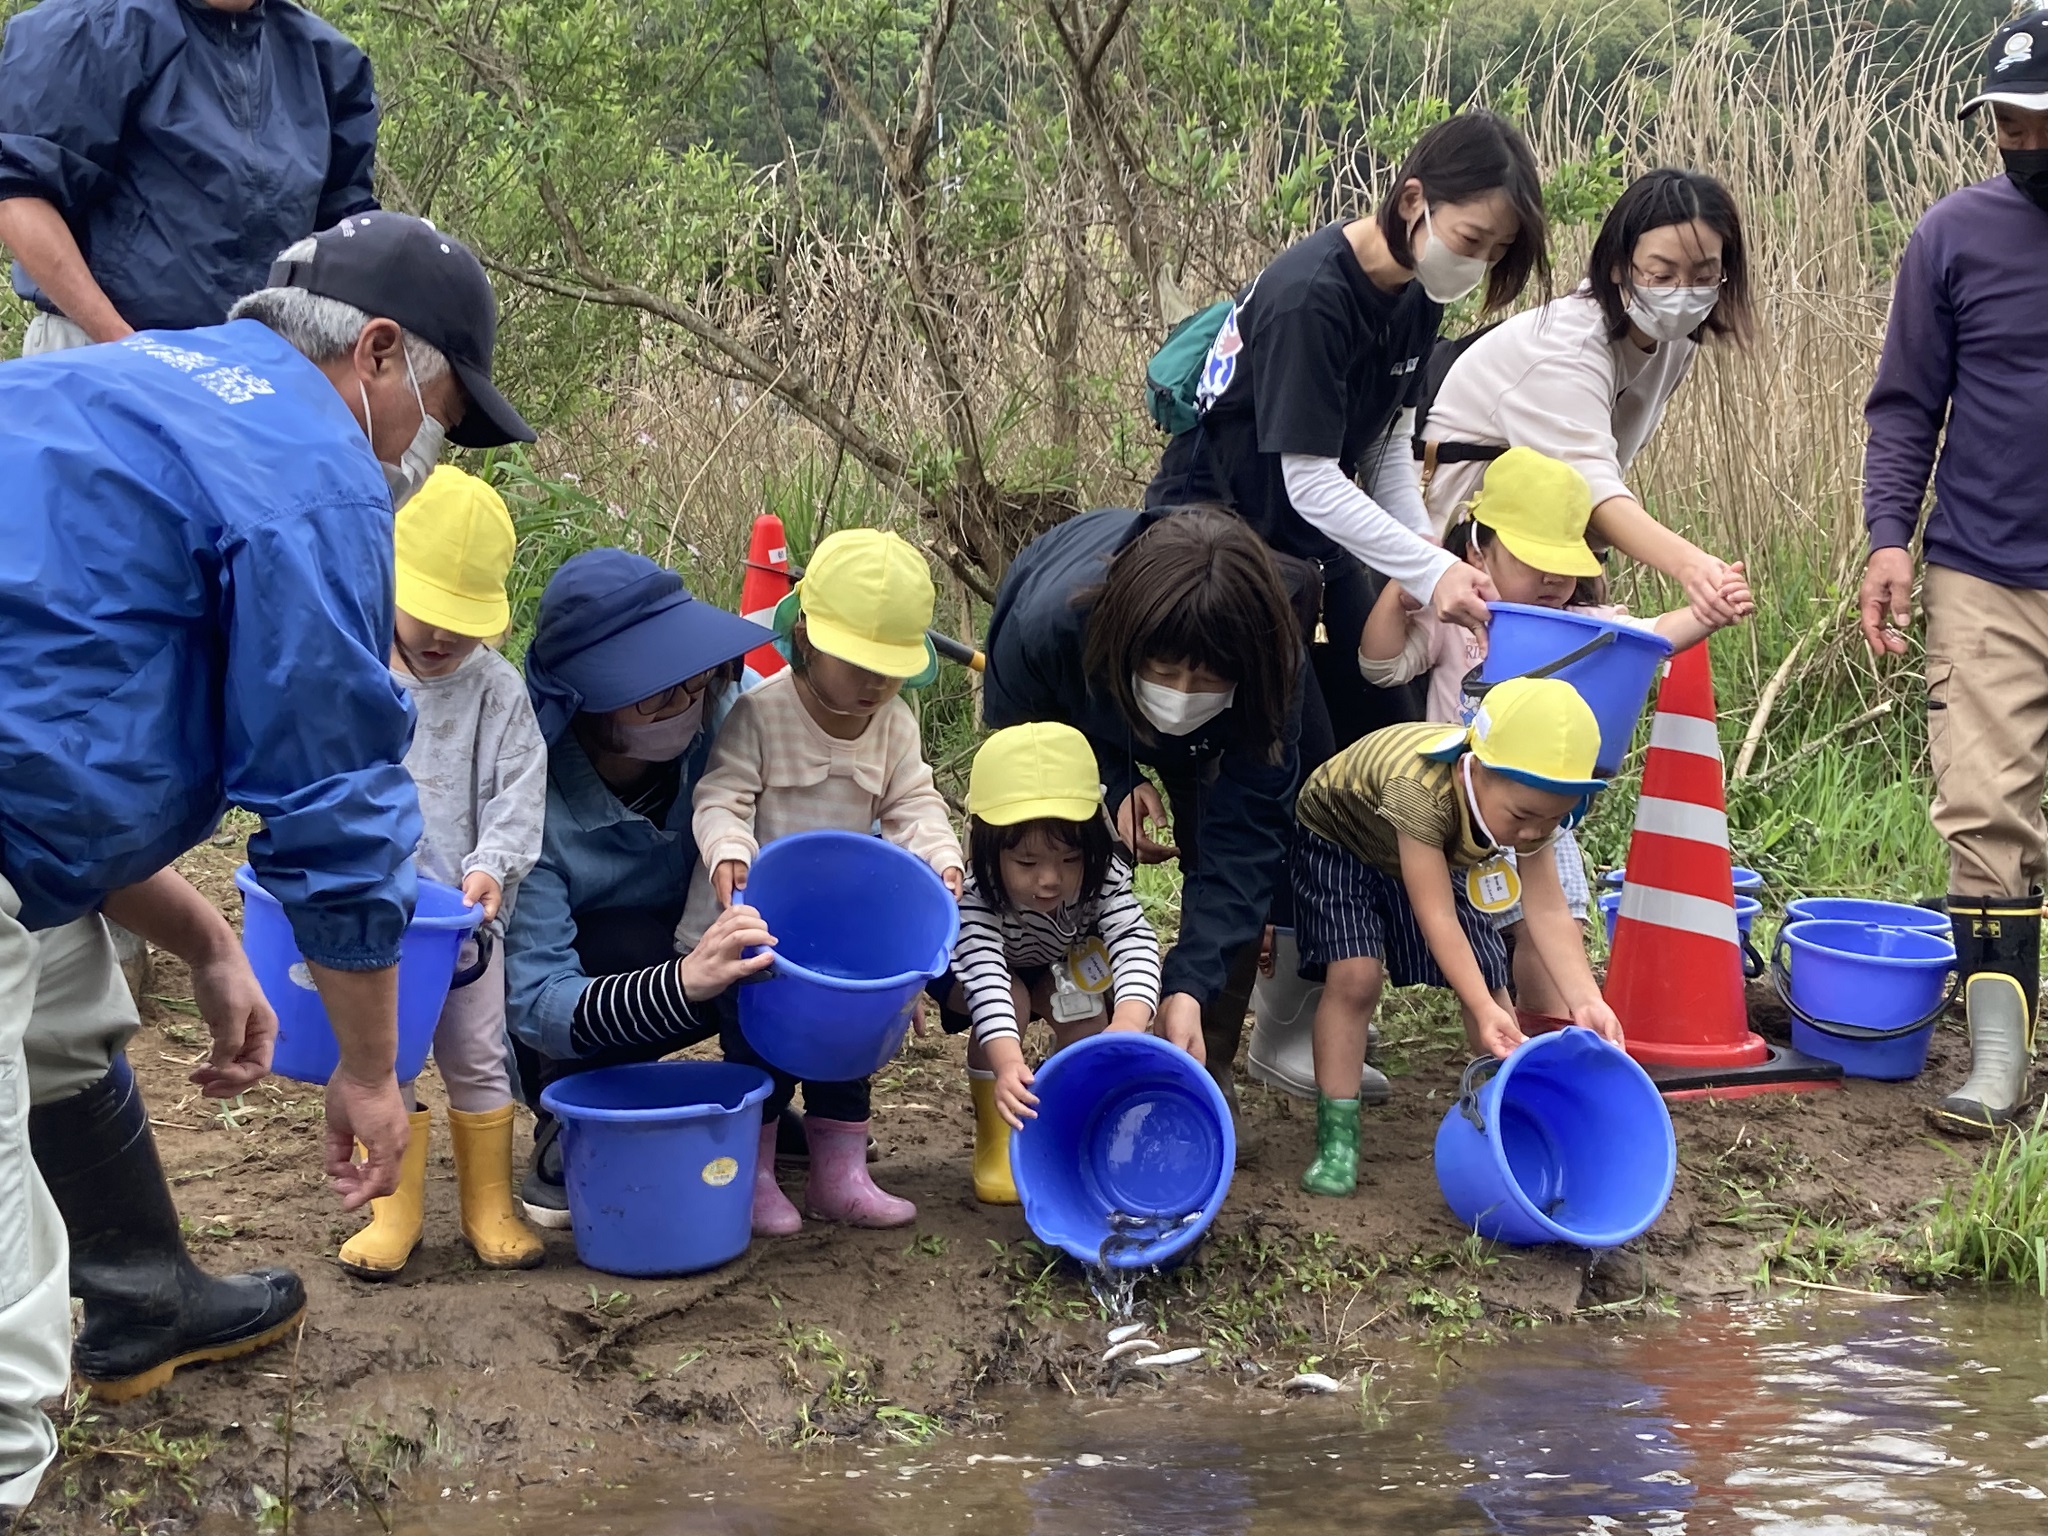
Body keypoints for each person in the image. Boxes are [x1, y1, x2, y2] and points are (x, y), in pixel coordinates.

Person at [0, 210, 531, 1505]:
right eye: (445, 414)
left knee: (65, 1021)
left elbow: (53, 744)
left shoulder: (116, 384)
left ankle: (146, 1300)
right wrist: (365, 1070)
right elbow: (337, 810)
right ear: (383, 356)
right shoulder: (313, 469)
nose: (429, 452)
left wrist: (205, 939)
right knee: (8, 1348)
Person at [1148, 110, 1550, 753]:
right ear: (1414, 199)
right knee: (1300, 741)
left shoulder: (1421, 294)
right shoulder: (1310, 298)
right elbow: (1308, 479)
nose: (1479, 266)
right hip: (1220, 532)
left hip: (1312, 538)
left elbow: (1383, 442)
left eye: (1498, 253)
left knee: (1393, 719)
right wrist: (1428, 570)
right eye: (1473, 240)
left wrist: (1428, 551)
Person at [1361, 449, 1750, 1013]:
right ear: (1478, 549)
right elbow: (1380, 665)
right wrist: (1401, 593)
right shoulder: (1457, 619)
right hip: (1447, 806)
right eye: (1532, 558)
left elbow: (1654, 634)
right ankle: (1493, 1019)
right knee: (1456, 935)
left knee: (1553, 924)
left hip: (1537, 811)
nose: (1551, 577)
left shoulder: (1581, 631)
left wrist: (1710, 610)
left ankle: (1546, 1034)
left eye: (1564, 563)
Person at [1858, 7, 2048, 1135]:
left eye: (2039, 123)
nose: (2022, 143)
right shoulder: (1951, 235)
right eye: (2006, 124)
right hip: (1982, 567)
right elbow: (1902, 404)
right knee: (1985, 810)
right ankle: (1995, 1061)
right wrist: (1888, 536)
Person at [682, 528, 966, 1235]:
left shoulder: (894, 726)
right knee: (759, 1051)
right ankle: (753, 1178)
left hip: (845, 927)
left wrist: (940, 856)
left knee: (850, 1048)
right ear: (806, 634)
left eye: (890, 667)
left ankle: (841, 1177)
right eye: (858, 662)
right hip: (757, 920)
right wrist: (727, 853)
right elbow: (723, 795)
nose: (874, 683)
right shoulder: (762, 712)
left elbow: (913, 803)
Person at [981, 506, 1297, 1104]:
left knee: (1225, 857)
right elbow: (1023, 746)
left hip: (1224, 731)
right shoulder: (1046, 626)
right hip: (1079, 691)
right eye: (1166, 672)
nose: (1181, 697)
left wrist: (1189, 983)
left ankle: (1196, 1049)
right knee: (1062, 838)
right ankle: (1080, 1031)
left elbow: (1248, 837)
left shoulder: (1269, 656)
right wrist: (1113, 781)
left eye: (1205, 681)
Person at [503, 547, 778, 1228]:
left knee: (775, 918)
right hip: (587, 993)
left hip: (694, 938)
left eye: (696, 679)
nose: (686, 704)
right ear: (585, 703)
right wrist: (685, 981)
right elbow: (539, 1000)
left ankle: (762, 1113)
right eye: (658, 692)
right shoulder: (530, 802)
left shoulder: (721, 727)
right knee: (621, 940)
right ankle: (569, 1115)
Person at [1291, 678, 1623, 1197]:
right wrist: (1477, 1003)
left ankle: (1505, 1113)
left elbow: (1548, 909)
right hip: (1342, 837)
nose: (1534, 833)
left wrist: (1588, 1000)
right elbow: (1436, 917)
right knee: (1355, 977)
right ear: (1476, 769)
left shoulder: (1537, 808)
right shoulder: (1421, 790)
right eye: (1523, 817)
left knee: (1492, 978)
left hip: (1428, 852)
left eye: (1553, 819)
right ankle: (1338, 1136)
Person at [338, 467, 547, 1279]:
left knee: (477, 1053)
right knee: (382, 1059)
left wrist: (493, 867)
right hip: (374, 918)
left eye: (460, 626)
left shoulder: (499, 693)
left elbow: (518, 794)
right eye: (426, 614)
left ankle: (488, 1204)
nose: (438, 638)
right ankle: (395, 1211)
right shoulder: (360, 666)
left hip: (463, 923)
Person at [1415, 167, 1757, 627]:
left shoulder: (1674, 341)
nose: (1683, 293)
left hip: (1541, 559)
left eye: (1704, 276)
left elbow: (1596, 479)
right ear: (1618, 264)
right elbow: (1595, 485)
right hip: (1459, 555)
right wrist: (1691, 565)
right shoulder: (1567, 348)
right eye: (1661, 274)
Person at [0, 0, 379, 353]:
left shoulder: (325, 61)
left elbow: (344, 233)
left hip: (253, 367)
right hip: (98, 349)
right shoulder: (96, 24)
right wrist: (123, 342)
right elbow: (18, 193)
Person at [931, 722, 1164, 1204]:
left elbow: (1134, 939)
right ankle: (998, 1137)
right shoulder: (973, 893)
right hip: (979, 976)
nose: (1050, 880)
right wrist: (1009, 1061)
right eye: (1027, 863)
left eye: (1070, 859)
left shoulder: (1104, 877)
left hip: (1059, 962)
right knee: (1010, 1001)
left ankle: (1075, 1126)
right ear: (987, 848)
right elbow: (985, 975)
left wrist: (1129, 1021)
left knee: (1084, 1014)